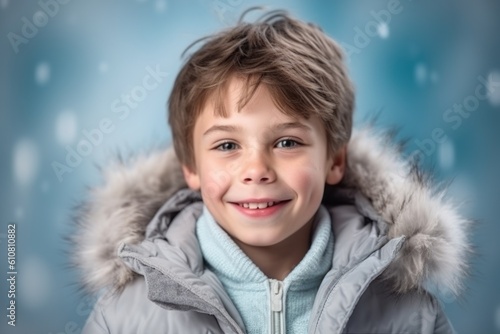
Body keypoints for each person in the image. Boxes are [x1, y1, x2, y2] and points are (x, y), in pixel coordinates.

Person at [75, 9, 470, 333]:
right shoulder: (126, 316)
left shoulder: (407, 313)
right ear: (191, 168)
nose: (257, 170)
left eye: (287, 142)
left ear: (334, 160)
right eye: (227, 145)